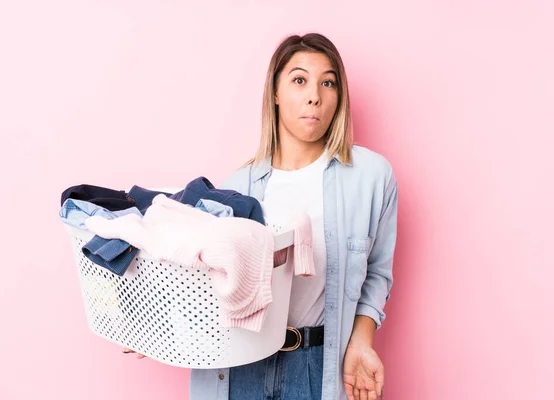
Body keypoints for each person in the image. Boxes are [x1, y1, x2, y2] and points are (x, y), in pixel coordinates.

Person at [128, 32, 397, 400]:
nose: (314, 95)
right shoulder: (234, 189)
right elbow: (204, 284)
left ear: (339, 95)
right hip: (240, 367)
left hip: (318, 368)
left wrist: (361, 343)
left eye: (328, 82)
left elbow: (377, 274)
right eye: (299, 80)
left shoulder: (372, 177)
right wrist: (158, 327)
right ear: (275, 92)